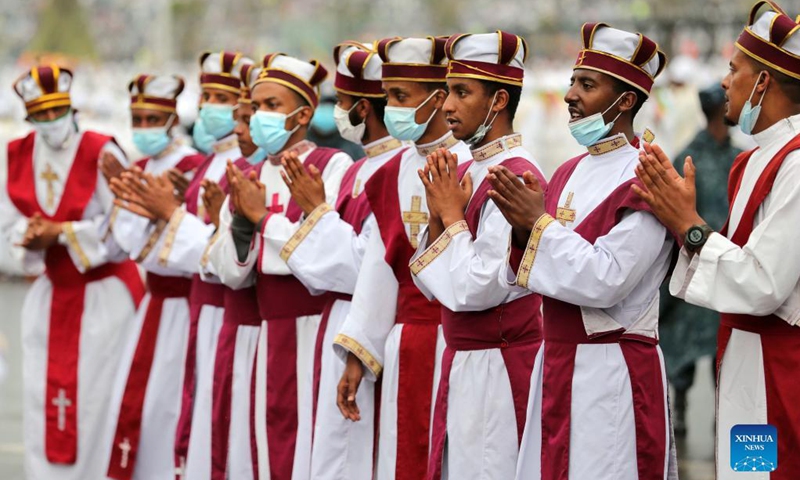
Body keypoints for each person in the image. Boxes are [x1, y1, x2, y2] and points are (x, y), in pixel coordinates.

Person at [486, 23, 679, 479]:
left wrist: (536, 224)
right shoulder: (568, 171)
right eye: (573, 81)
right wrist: (522, 231)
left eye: (587, 85)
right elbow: (527, 271)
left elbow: (606, 280)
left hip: (610, 369)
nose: (570, 94)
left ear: (625, 100)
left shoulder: (646, 176)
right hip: (555, 361)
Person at [634, 2, 800, 478]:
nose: (724, 82)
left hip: (775, 373)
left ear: (763, 82)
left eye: (733, 69)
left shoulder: (795, 164)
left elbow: (763, 284)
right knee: (741, 470)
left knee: (765, 473)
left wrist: (691, 226)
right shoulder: (753, 160)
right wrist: (683, 225)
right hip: (744, 364)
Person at [105, 52, 252, 480]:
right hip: (181, 308)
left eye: (222, 98)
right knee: (164, 414)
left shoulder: (230, 166)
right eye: (206, 96)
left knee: (191, 415)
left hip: (211, 309)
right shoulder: (207, 162)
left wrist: (167, 211)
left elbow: (223, 249)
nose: (210, 106)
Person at [332, 36, 472, 480]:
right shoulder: (392, 170)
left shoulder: (472, 162)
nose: (390, 107)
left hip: (458, 341)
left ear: (437, 98)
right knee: (402, 457)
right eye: (388, 96)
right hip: (404, 341)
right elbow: (379, 270)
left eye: (399, 96)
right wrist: (357, 353)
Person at [208, 52, 353, 480]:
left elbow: (326, 255)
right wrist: (240, 224)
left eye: (272, 106)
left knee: (309, 442)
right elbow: (230, 272)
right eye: (256, 107)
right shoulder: (245, 173)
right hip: (264, 329)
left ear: (303, 114)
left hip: (313, 326)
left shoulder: (332, 165)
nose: (259, 117)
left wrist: (262, 220)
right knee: (262, 442)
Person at [408, 31, 545, 480]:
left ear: (498, 100)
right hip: (464, 360)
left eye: (462, 93)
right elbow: (431, 285)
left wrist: (450, 215)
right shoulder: (469, 169)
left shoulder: (515, 177)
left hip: (498, 368)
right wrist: (439, 216)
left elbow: (476, 288)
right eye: (448, 91)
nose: (447, 105)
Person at [0, 64, 144, 480]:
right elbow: (7, 225)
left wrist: (63, 233)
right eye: (40, 114)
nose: (50, 121)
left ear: (71, 108)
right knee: (42, 399)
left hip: (103, 297)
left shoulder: (102, 151)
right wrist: (28, 238)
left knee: (99, 401)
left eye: (56, 111)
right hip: (50, 294)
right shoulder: (16, 154)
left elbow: (127, 227)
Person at [278, 40, 407, 480]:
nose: (338, 113)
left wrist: (315, 211)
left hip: (366, 329)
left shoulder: (396, 169)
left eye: (343, 102)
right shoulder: (356, 167)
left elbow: (365, 267)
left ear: (363, 109)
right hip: (335, 323)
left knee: (358, 455)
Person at [657, 83, 742, 437]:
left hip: (732, 265)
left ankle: (723, 411)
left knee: (725, 348)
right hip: (695, 265)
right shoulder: (689, 156)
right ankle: (680, 407)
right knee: (684, 343)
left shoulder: (739, 157)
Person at [207, 62, 264, 480]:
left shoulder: (323, 168)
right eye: (239, 118)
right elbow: (226, 267)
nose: (240, 129)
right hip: (231, 324)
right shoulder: (236, 173)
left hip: (272, 330)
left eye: (251, 117)